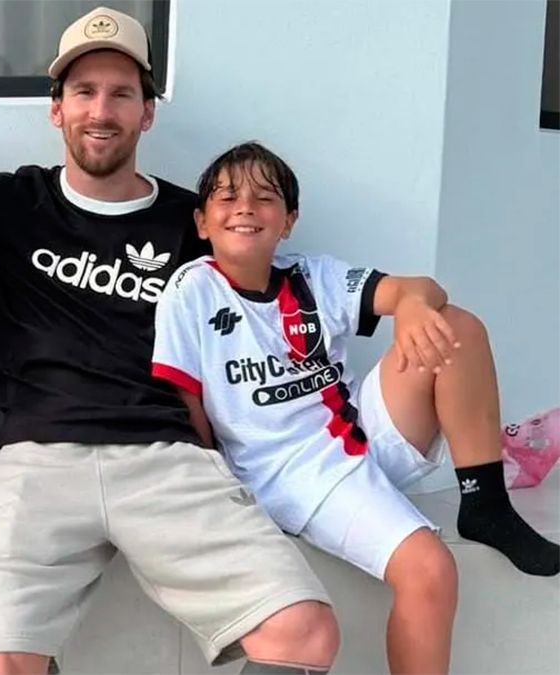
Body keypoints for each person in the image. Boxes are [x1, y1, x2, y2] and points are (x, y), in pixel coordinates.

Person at [0, 7, 340, 674]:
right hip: (37, 459)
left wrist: (401, 298)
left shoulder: (191, 222)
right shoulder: (7, 201)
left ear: (147, 113)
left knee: (305, 630)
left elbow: (283, 283)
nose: (101, 111)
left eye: (121, 93)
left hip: (162, 456)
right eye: (84, 92)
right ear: (57, 109)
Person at [150, 141, 560, 673]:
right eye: (227, 198)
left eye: (264, 198)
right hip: (294, 475)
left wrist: (412, 308)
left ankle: (486, 504)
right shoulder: (191, 290)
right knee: (430, 569)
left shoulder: (309, 274)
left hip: (358, 434)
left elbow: (421, 288)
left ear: (289, 221)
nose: (245, 208)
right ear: (202, 222)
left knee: (454, 324)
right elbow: (186, 401)